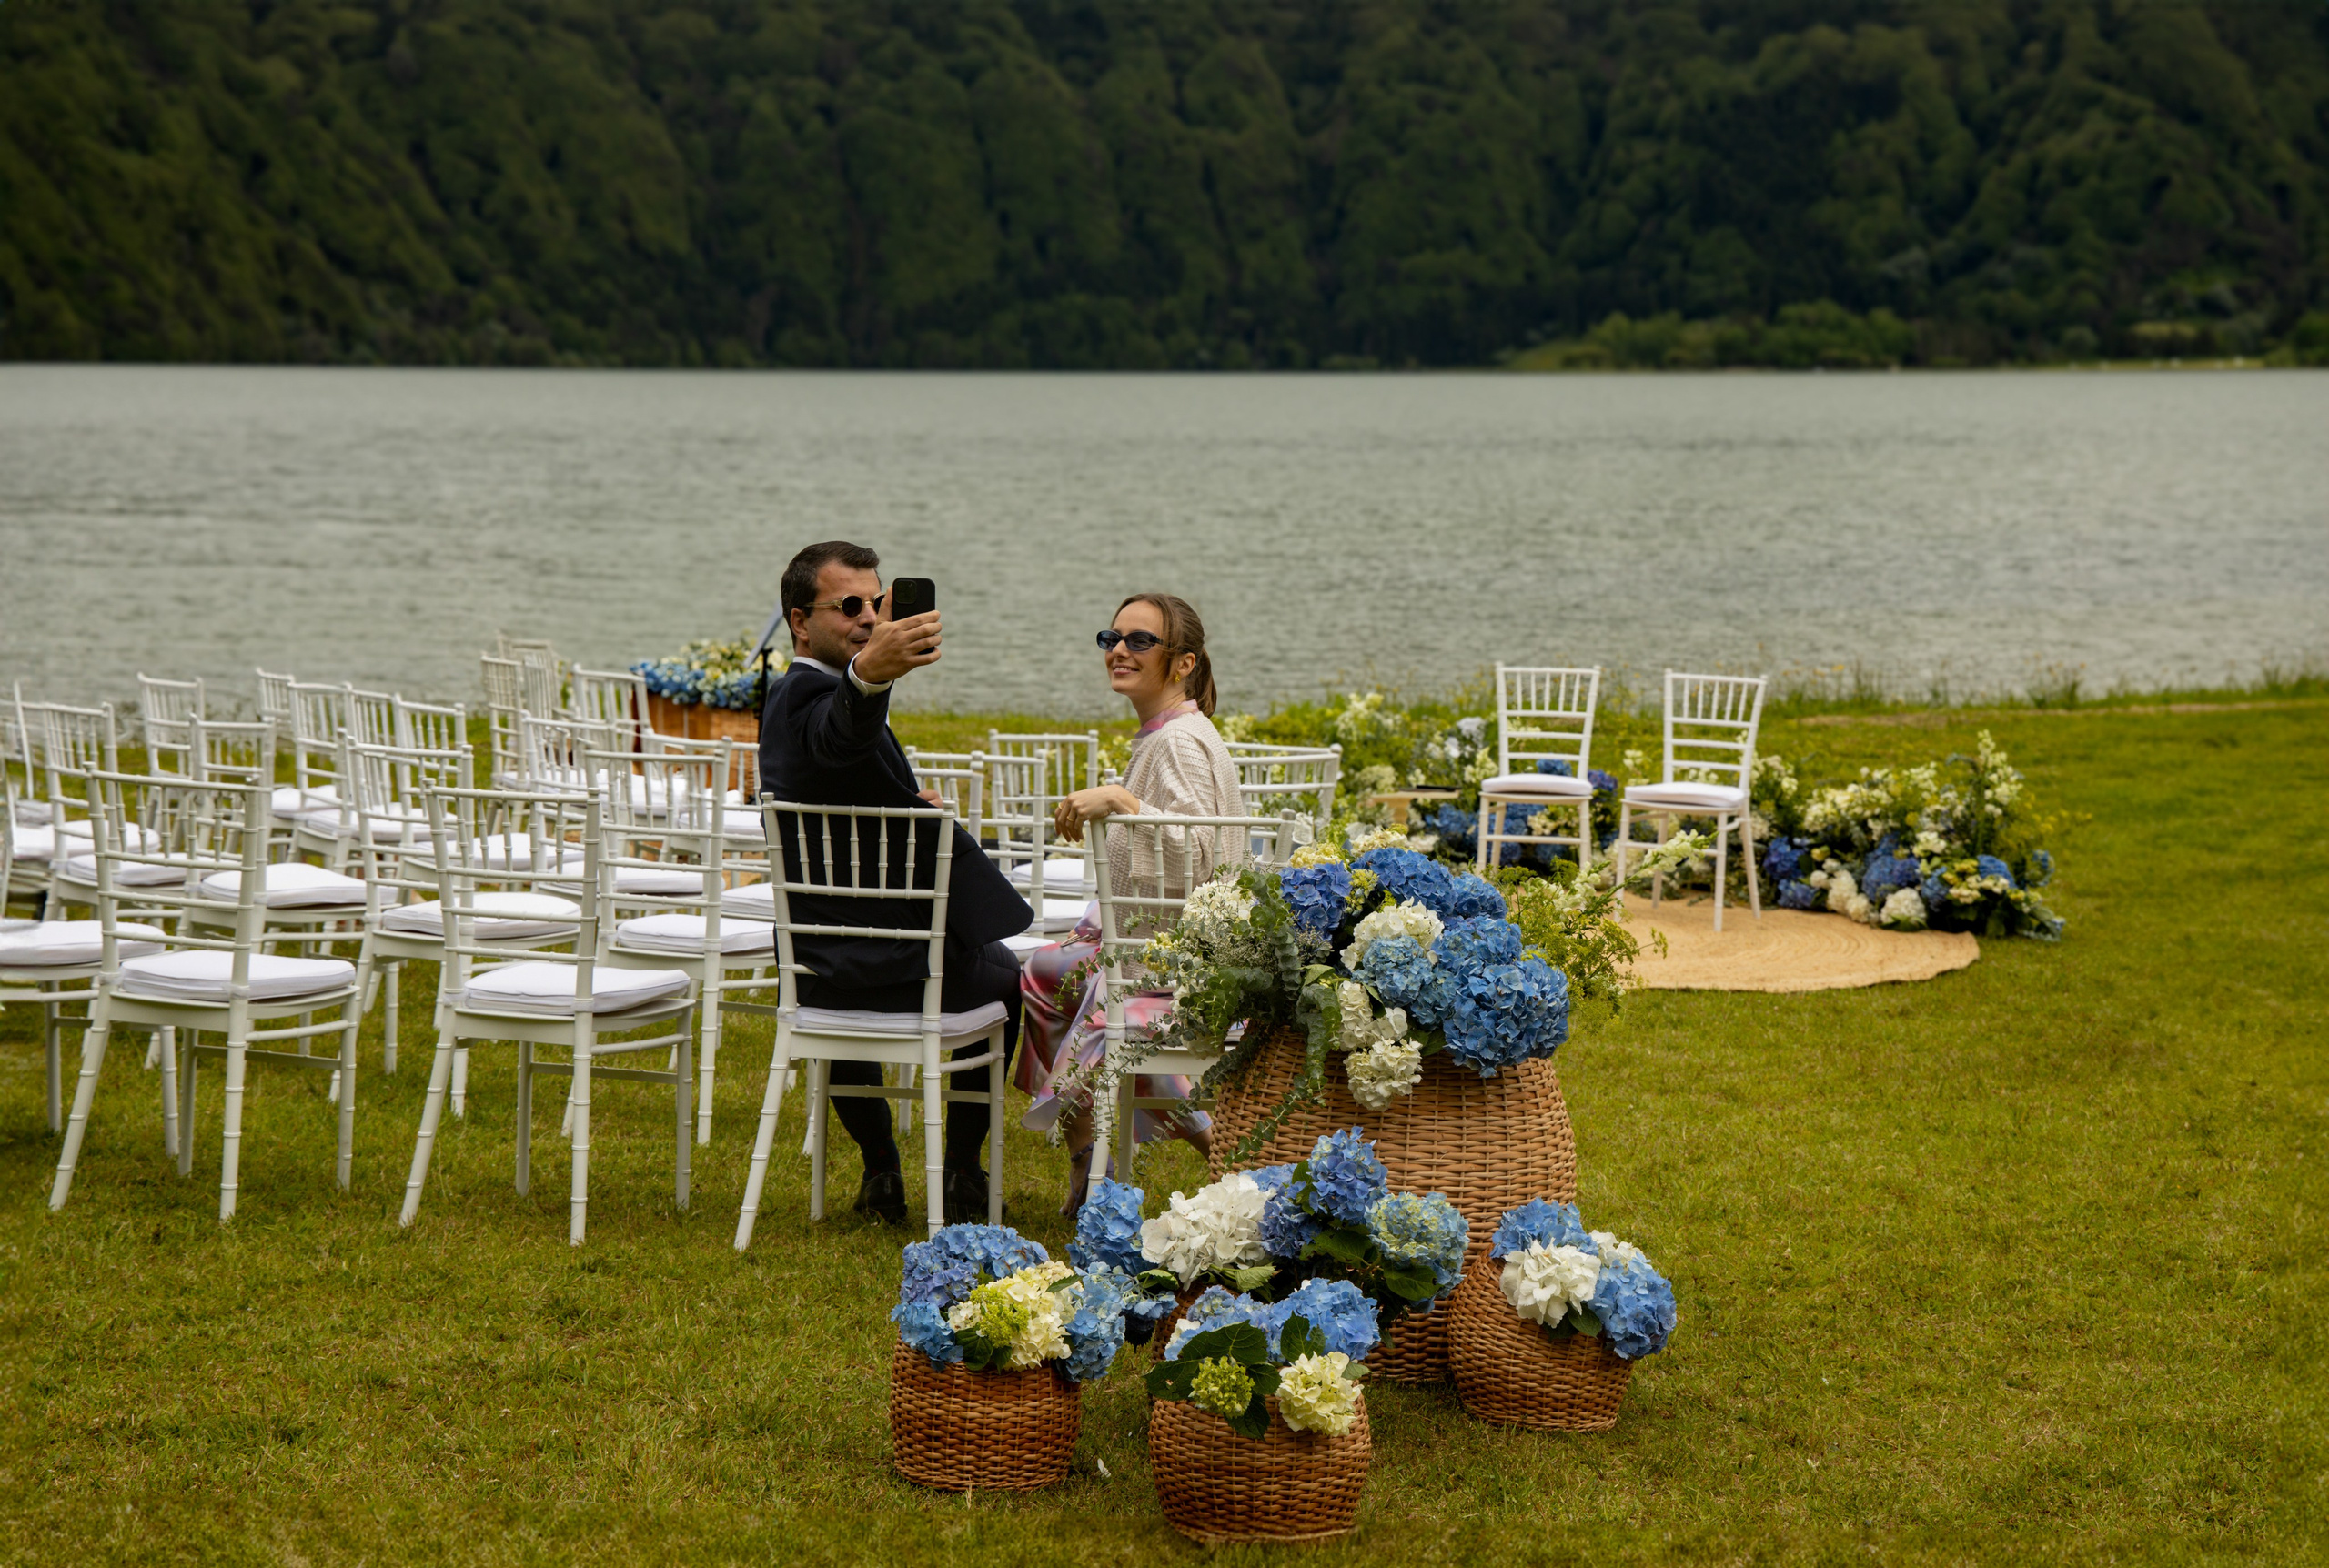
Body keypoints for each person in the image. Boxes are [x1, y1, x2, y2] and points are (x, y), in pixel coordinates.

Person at [758, 540, 1032, 1225]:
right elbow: (835, 738)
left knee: (921, 974)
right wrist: (866, 681)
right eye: (847, 605)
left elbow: (838, 772)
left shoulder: (789, 696)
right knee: (1008, 978)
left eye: (874, 603)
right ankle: (963, 1173)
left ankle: (882, 1171)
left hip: (815, 963)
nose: (867, 617)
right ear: (800, 621)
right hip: (897, 964)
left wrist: (908, 803)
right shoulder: (812, 695)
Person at [1017, 592, 1245, 1214]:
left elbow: (1195, 849)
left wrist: (1121, 800)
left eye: (1139, 640)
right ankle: (1094, 1158)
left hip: (1176, 965)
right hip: (1162, 947)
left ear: (1183, 663)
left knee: (1064, 983)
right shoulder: (1168, 732)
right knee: (1047, 973)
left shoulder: (1175, 742)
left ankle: (1203, 1149)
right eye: (1111, 638)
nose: (1118, 650)